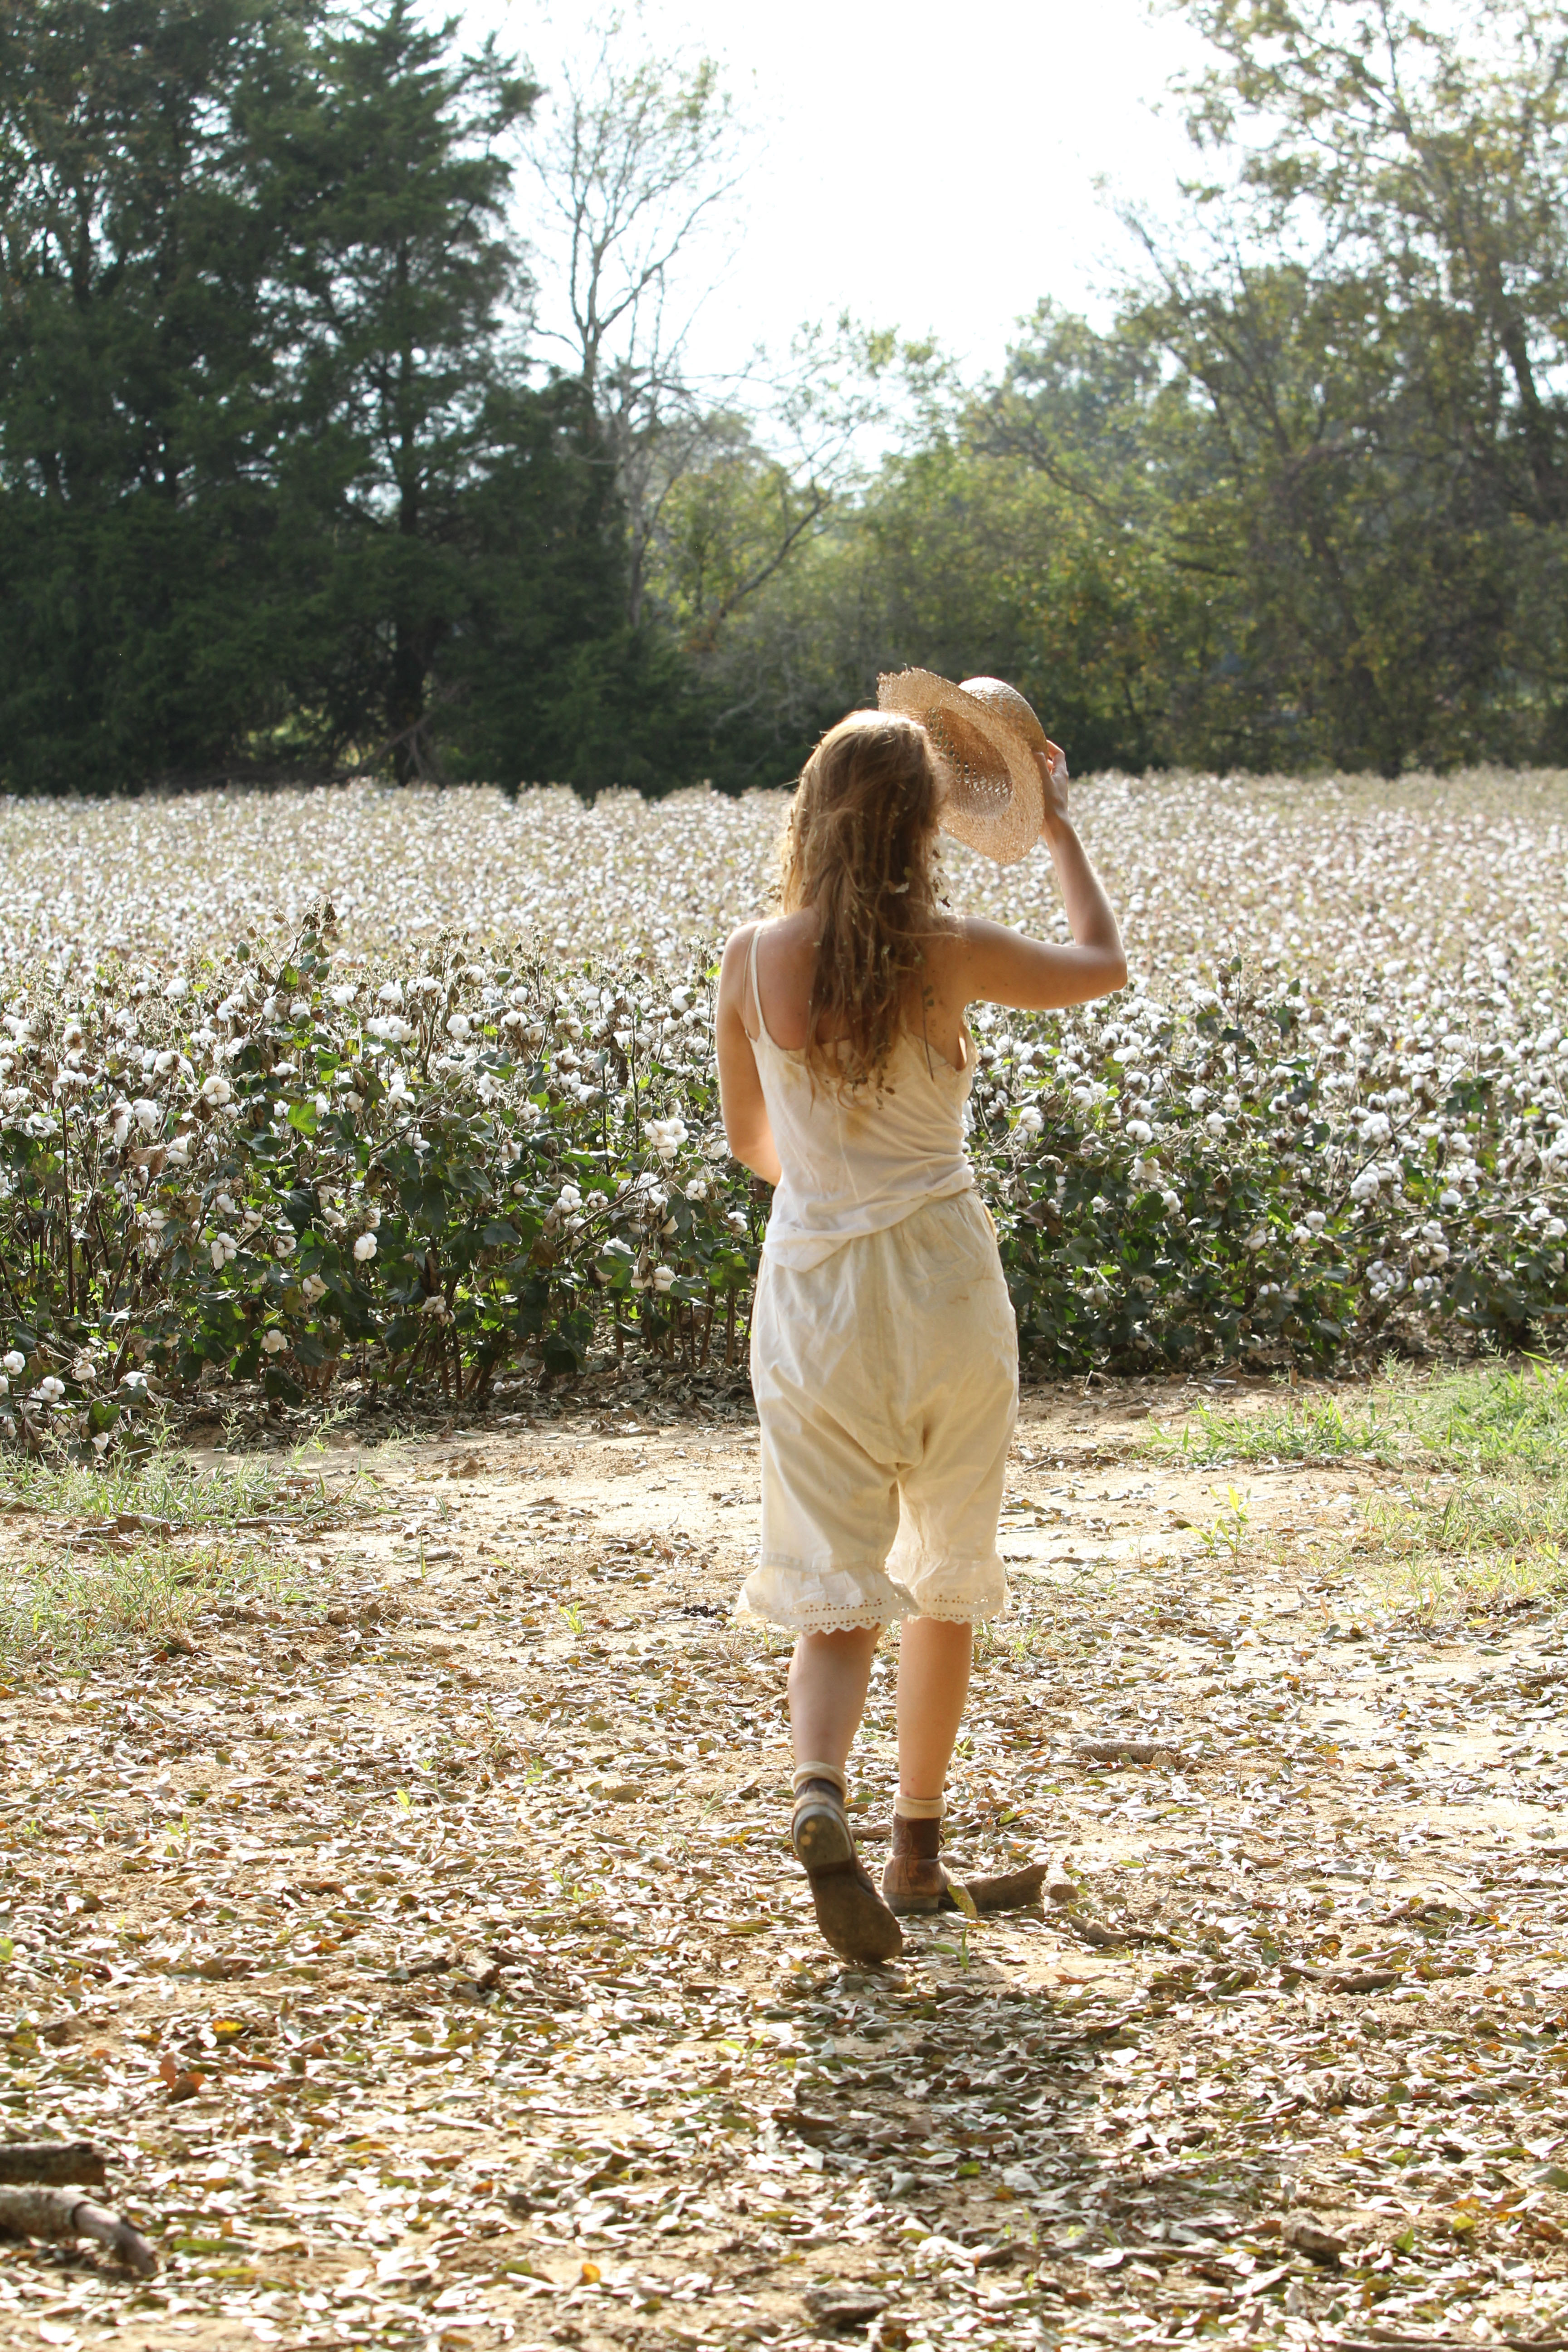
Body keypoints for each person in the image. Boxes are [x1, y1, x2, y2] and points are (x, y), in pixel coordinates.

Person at [715, 678, 1125, 1963]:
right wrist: (1057, 830)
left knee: (836, 1588)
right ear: (925, 824)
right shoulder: (952, 950)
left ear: (814, 812)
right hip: (945, 1284)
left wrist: (834, 1184)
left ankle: (817, 1791)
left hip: (816, 1296)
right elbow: (1104, 965)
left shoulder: (752, 957)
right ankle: (916, 1850)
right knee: (945, 1571)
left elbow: (752, 1143)